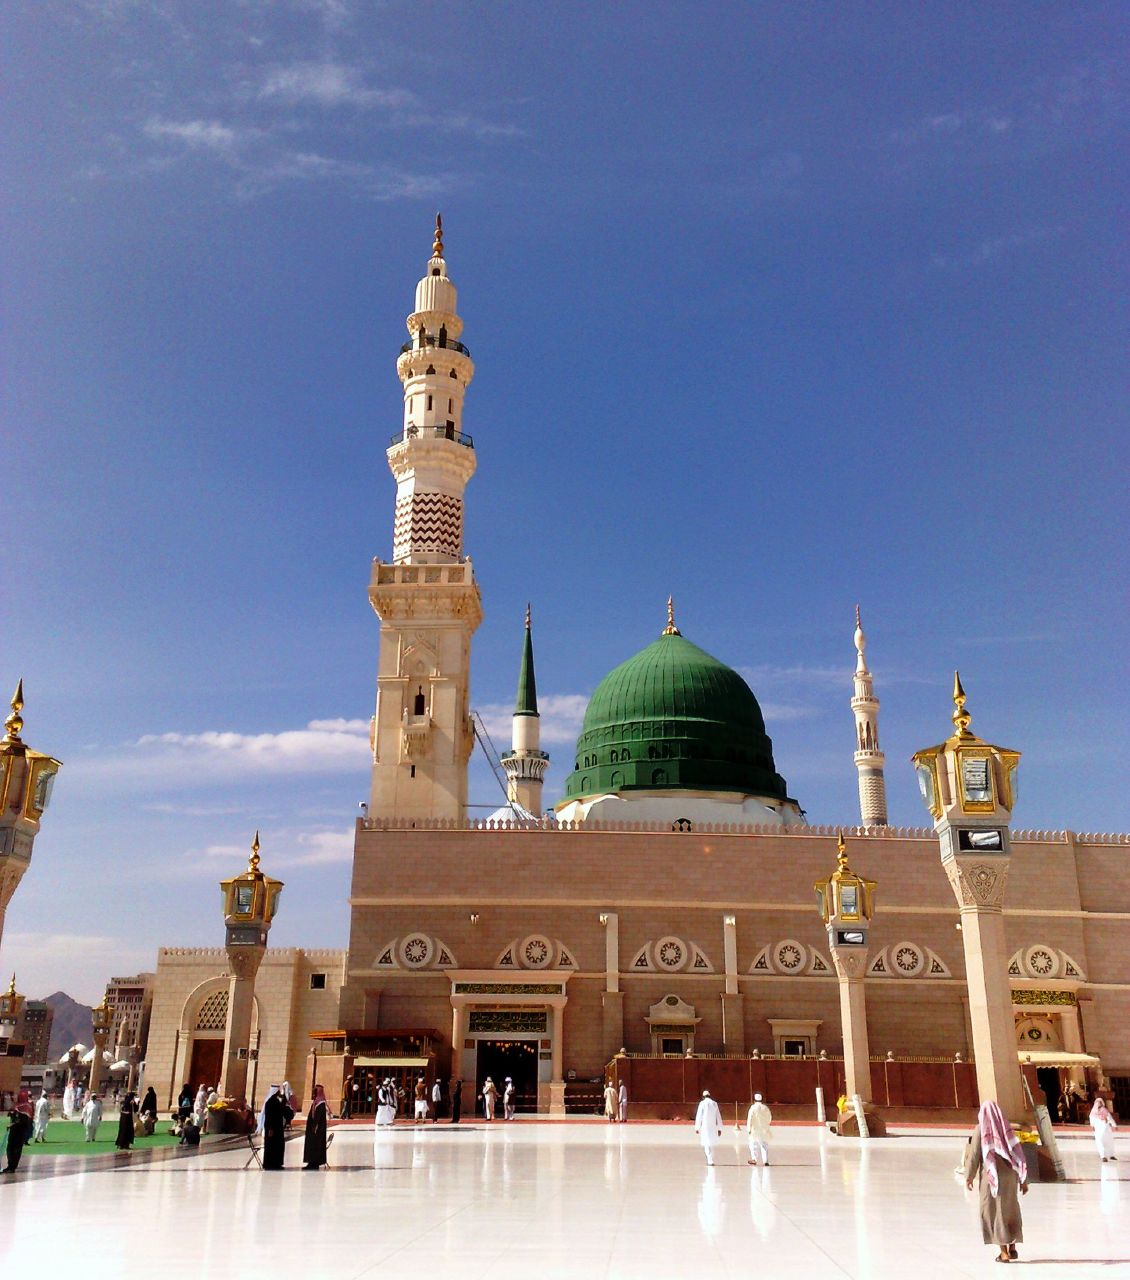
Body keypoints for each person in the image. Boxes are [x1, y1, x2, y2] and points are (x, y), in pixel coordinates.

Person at [963, 1098, 1028, 1264]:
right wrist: (1023, 1179)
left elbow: (975, 1155)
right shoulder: (1005, 1128)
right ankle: (1013, 1248)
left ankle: (1003, 1253)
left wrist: (969, 1176)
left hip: (992, 1176)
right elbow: (1017, 1152)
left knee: (994, 1211)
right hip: (1010, 1177)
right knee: (1010, 1208)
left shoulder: (981, 1129)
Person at [261, 1085, 293, 1170]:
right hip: (272, 1128)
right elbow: (270, 1117)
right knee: (271, 1146)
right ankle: (270, 1164)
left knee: (277, 1146)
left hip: (277, 1128)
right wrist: (270, 1129)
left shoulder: (276, 1101)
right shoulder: (271, 1102)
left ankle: (276, 1163)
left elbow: (284, 1109)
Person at [303, 1084, 330, 1170]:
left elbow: (317, 1118)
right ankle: (311, 1162)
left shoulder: (321, 1104)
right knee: (311, 1146)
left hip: (317, 1131)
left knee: (315, 1146)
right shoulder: (316, 1102)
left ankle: (314, 1163)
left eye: (315, 1092)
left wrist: (314, 1127)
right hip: (313, 1129)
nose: (313, 1094)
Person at [694, 1090, 723, 1166]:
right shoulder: (714, 1104)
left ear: (703, 1097)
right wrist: (720, 1128)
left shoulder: (702, 1103)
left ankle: (710, 1160)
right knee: (711, 1143)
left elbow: (699, 1115)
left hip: (705, 1127)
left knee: (707, 1143)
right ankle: (711, 1159)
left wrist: (697, 1127)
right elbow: (718, 1116)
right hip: (713, 1126)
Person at [3, 1108, 34, 1173]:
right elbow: (10, 1115)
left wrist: (12, 1124)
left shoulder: (24, 1108)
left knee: (16, 1149)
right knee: (10, 1148)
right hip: (13, 1131)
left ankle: (12, 1167)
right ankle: (10, 1166)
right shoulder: (16, 1107)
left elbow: (23, 1120)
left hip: (20, 1132)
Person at [744, 1093, 772, 1166]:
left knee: (753, 1144)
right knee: (764, 1144)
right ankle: (765, 1161)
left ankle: (754, 1159)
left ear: (754, 1100)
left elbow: (750, 1118)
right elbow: (769, 1117)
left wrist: (748, 1128)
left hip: (755, 1129)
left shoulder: (753, 1108)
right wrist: (766, 1124)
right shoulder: (765, 1108)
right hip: (764, 1129)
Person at [1090, 1096, 1118, 1162]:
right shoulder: (1093, 1112)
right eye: (1098, 1103)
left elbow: (1109, 1118)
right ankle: (1103, 1156)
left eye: (1100, 1103)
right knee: (1100, 1142)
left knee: (1109, 1142)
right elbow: (1092, 1120)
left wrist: (1114, 1125)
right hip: (1099, 1129)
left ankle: (1111, 1155)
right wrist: (1092, 1126)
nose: (1099, 1104)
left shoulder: (1104, 1110)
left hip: (1106, 1129)